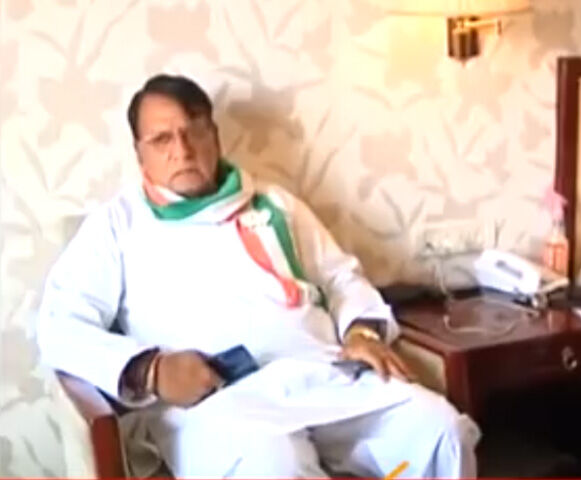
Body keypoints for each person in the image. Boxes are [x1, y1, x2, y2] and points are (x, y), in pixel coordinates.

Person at [37, 74, 480, 478]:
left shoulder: (274, 202)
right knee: (275, 465)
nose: (183, 150)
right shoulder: (116, 225)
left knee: (439, 431)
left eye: (194, 131)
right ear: (140, 155)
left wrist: (361, 332)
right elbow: (59, 325)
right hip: (221, 404)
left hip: (325, 378)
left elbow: (340, 277)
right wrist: (152, 370)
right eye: (162, 139)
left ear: (215, 136)